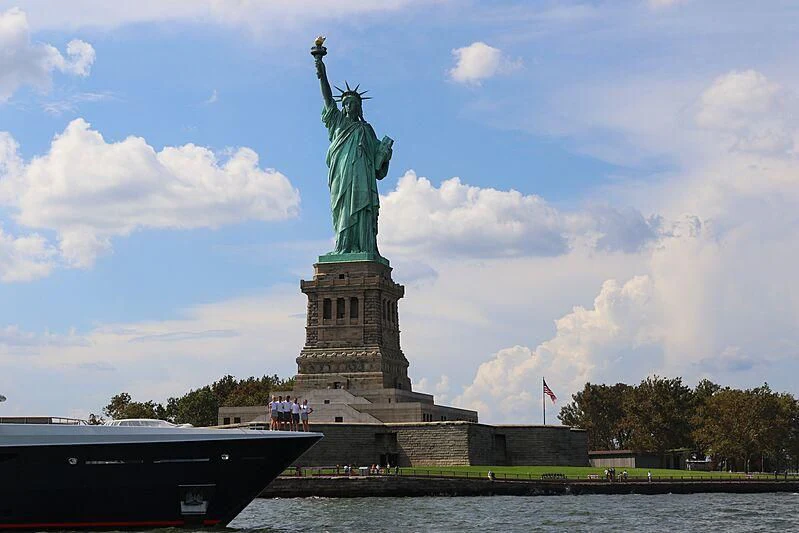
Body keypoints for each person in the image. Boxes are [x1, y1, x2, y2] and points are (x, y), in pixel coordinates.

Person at [314, 44, 393, 257]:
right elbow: (327, 97)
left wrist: (384, 153)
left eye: (353, 104)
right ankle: (343, 246)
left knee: (362, 209)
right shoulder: (337, 122)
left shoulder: (366, 129)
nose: (349, 107)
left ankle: (364, 246)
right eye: (346, 103)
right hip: (342, 174)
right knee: (342, 209)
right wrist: (320, 68)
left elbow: (378, 165)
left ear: (359, 107)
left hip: (362, 176)